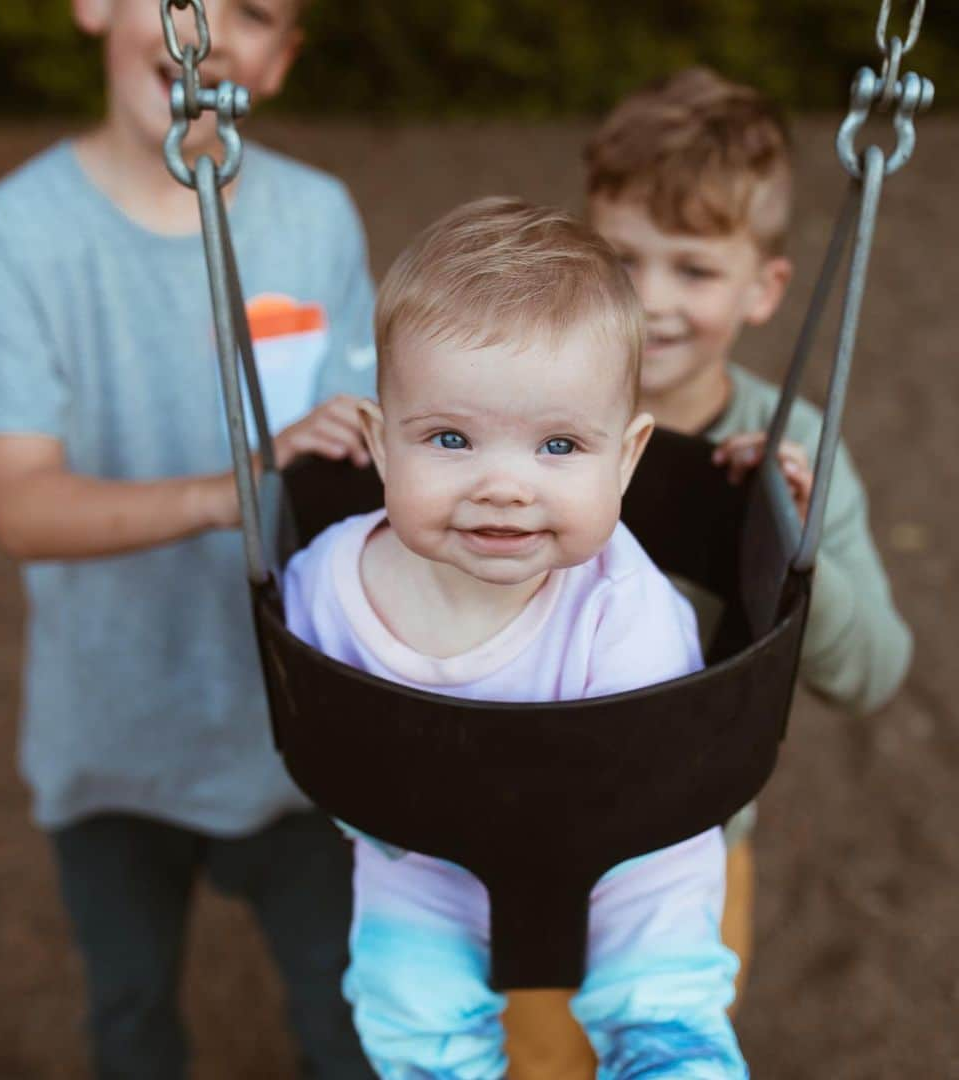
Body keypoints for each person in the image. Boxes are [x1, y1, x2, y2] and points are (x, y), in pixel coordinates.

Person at [0, 1, 376, 1077]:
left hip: (294, 740)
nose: (211, 34)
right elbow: (24, 505)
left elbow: (363, 471)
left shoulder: (318, 216)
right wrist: (230, 490)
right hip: (113, 742)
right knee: (132, 1020)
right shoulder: (17, 230)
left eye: (256, 12)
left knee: (348, 1020)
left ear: (280, 61)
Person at [284, 196, 749, 1079]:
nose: (504, 486)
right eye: (451, 438)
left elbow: (656, 771)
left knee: (661, 993)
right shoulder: (328, 581)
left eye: (560, 446)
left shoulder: (623, 603)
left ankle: (666, 1054)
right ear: (382, 448)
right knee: (407, 1011)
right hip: (423, 857)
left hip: (626, 859)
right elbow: (312, 716)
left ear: (628, 456)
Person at [583, 67, 914, 1004]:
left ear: (766, 288)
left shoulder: (796, 442)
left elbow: (874, 673)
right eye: (621, 258)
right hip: (519, 822)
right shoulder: (529, 409)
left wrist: (799, 554)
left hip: (692, 846)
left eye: (693, 268)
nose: (650, 300)